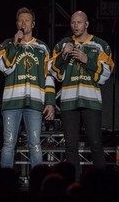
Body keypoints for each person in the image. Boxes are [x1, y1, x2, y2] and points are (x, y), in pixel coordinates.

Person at [48, 10, 114, 181]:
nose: (75, 26)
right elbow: (53, 71)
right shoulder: (63, 44)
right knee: (70, 145)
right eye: (73, 22)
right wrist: (63, 56)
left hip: (91, 101)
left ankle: (100, 183)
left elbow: (107, 72)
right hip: (69, 101)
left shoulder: (100, 45)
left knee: (96, 143)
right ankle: (74, 183)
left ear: (86, 24)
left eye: (79, 22)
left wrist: (87, 60)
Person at [0, 7, 56, 169]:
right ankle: (4, 183)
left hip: (35, 102)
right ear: (16, 23)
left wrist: (50, 101)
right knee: (9, 143)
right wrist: (15, 44)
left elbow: (48, 76)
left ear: (33, 23)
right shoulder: (7, 44)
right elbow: (4, 67)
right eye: (20, 20)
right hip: (11, 102)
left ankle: (38, 183)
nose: (23, 23)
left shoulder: (42, 47)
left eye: (27, 20)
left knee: (35, 144)